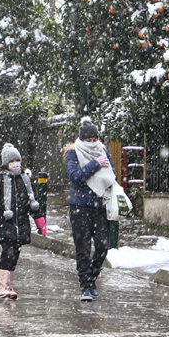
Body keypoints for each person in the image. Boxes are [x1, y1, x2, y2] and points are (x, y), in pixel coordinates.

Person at [0, 143, 46, 299]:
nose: (16, 164)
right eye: (12, 161)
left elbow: (33, 204)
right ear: (6, 164)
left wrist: (40, 222)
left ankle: (9, 286)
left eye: (17, 160)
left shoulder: (25, 180)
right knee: (8, 252)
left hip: (21, 224)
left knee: (15, 253)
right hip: (5, 223)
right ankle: (2, 287)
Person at [64, 117, 115, 301]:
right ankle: (85, 285)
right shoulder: (73, 153)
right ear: (82, 139)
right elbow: (75, 177)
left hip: (100, 205)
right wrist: (95, 164)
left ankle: (92, 277)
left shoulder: (103, 152)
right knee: (83, 247)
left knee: (102, 246)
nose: (92, 144)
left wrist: (101, 167)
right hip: (80, 206)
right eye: (89, 140)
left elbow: (112, 175)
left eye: (95, 140)